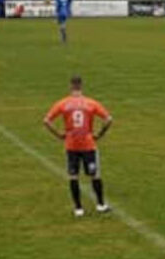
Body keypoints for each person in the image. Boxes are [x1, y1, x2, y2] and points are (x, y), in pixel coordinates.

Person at [43, 75, 114, 217]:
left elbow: (46, 121)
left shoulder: (63, 103)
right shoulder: (91, 103)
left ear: (70, 86)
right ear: (81, 86)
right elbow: (108, 119)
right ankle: (100, 204)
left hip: (71, 145)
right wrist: (100, 134)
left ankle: (78, 208)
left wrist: (59, 135)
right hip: (88, 144)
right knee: (95, 175)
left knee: (73, 176)